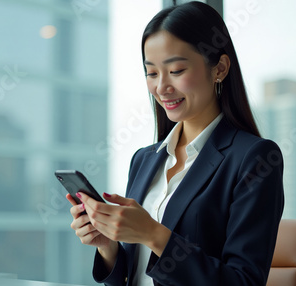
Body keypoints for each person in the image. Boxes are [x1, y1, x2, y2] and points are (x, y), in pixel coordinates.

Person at [66, 2, 284, 285]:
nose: (162, 87)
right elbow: (131, 277)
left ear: (219, 68)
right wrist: (108, 246)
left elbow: (243, 281)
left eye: (177, 70)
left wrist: (153, 234)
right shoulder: (144, 159)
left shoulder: (254, 158)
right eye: (152, 73)